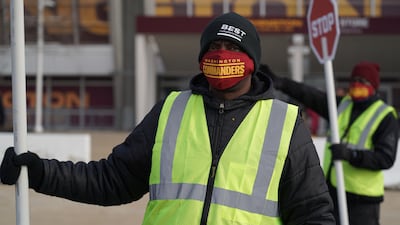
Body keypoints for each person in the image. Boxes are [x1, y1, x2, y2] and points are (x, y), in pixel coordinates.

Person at [0, 12, 335, 225]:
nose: (222, 55)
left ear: (252, 61)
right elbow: (112, 180)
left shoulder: (284, 123)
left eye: (233, 48)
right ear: (202, 56)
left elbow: (313, 213)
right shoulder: (171, 110)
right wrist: (40, 172)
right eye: (214, 47)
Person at [261, 62, 399, 225]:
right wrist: (281, 83)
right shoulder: (343, 105)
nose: (357, 84)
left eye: (363, 81)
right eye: (354, 80)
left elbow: (385, 158)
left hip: (363, 201)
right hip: (334, 192)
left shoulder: (385, 116)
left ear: (374, 86)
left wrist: (352, 155)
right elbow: (310, 95)